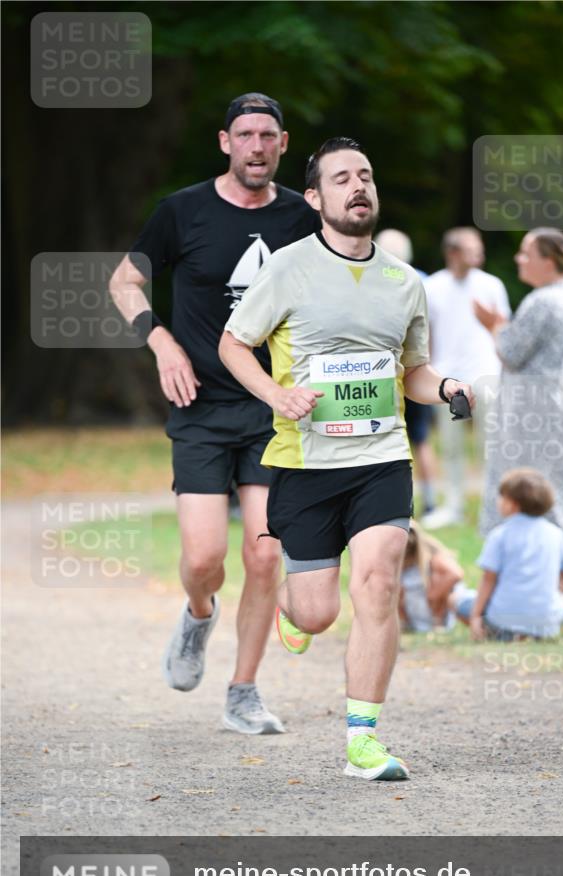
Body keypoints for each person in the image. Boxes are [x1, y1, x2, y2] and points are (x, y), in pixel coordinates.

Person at [219, 137, 474, 781]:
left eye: (365, 175)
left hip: (381, 458)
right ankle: (290, 606)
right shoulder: (286, 268)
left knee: (380, 582)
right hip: (305, 464)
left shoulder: (401, 280)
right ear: (315, 198)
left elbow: (412, 369)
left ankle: (363, 740)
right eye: (341, 178)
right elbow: (233, 344)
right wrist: (277, 393)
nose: (357, 185)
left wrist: (442, 388)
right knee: (318, 611)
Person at [109, 93, 319, 734]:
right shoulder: (182, 211)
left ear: (283, 145)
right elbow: (124, 281)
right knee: (204, 560)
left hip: (271, 406)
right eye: (245, 135)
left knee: (263, 555)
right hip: (198, 405)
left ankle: (243, 691)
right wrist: (160, 339)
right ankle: (198, 614)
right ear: (225, 142)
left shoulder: (302, 219)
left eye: (269, 136)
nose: (257, 146)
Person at [474, 228, 563, 561]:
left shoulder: (543, 301)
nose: (519, 258)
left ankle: (522, 577)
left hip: (537, 423)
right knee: (561, 500)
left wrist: (494, 325)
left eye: (526, 253)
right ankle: (561, 581)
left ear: (548, 260)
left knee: (525, 494)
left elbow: (511, 351)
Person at [422, 227, 511, 528]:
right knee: (451, 445)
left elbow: (505, 328)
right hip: (448, 379)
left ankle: (494, 504)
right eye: (472, 248)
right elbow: (426, 335)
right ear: (453, 253)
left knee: (491, 444)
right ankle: (454, 506)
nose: (480, 254)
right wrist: (431, 374)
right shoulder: (432, 287)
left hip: (488, 375)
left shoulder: (491, 285)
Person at [450, 469, 563, 640]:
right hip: (547, 626)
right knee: (562, 599)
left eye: (502, 497)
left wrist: (476, 616)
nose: (498, 501)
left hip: (502, 623)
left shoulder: (499, 535)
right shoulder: (556, 534)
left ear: (512, 504)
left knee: (457, 600)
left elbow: (488, 580)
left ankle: (502, 633)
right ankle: (532, 632)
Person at [375, 228, 438, 516]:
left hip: (386, 373)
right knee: (419, 438)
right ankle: (429, 500)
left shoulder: (373, 279)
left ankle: (405, 498)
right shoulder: (422, 280)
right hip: (415, 368)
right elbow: (429, 331)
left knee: (392, 437)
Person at [399, 521, 463, 633]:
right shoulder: (399, 561)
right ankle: (404, 622)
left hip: (433, 608)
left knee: (439, 578)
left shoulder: (433, 557)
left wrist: (434, 595)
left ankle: (438, 621)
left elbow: (455, 574)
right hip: (413, 609)